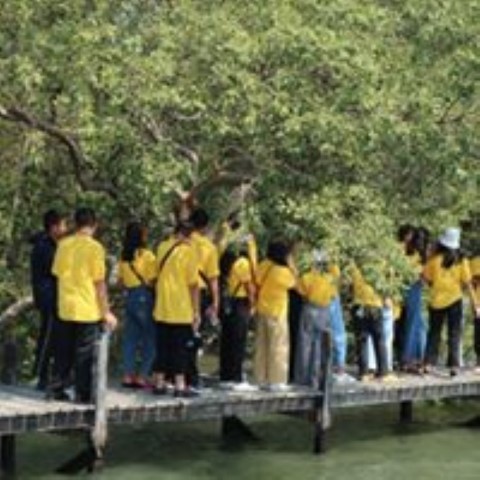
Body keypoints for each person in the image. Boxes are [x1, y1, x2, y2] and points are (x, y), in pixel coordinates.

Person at [49, 207, 117, 402]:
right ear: (94, 225)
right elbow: (99, 283)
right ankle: (82, 393)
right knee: (84, 354)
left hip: (66, 305)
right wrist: (106, 312)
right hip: (87, 308)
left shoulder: (63, 245)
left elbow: (57, 273)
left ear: (75, 224)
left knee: (63, 351)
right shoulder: (95, 248)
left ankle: (57, 388)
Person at [152, 220, 200, 398]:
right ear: (189, 235)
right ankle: (180, 385)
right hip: (181, 308)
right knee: (180, 349)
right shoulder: (189, 252)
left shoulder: (162, 247)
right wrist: (196, 311)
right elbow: (193, 285)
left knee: (162, 347)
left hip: (162, 307)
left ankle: (159, 382)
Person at [423, 228, 479, 376]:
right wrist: (475, 303)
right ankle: (454, 365)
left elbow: (426, 279)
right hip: (455, 299)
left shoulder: (434, 260)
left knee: (434, 332)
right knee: (454, 333)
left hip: (436, 300)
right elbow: (468, 283)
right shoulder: (461, 261)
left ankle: (428, 363)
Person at [30, 210, 67, 390]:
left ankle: (49, 374)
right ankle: (40, 375)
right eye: (63, 225)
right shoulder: (44, 246)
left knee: (54, 336)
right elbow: (56, 270)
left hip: (53, 295)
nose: (65, 229)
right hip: (48, 296)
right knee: (47, 336)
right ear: (54, 227)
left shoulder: (51, 244)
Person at [118, 221, 156, 389]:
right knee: (150, 337)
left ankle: (128, 375)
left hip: (130, 296)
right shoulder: (147, 255)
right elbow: (153, 280)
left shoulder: (124, 257)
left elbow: (121, 281)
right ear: (141, 236)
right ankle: (142, 376)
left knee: (130, 338)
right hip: (144, 296)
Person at [254, 240, 297, 391]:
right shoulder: (283, 272)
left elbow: (257, 281)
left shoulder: (263, 265)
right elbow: (295, 284)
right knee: (278, 346)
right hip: (277, 312)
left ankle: (261, 379)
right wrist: (292, 265)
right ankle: (277, 380)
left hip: (262, 309)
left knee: (262, 345)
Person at [187, 208, 220, 389]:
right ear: (205, 227)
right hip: (198, 293)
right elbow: (213, 278)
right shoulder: (208, 247)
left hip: (177, 292)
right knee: (194, 333)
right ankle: (190, 376)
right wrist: (215, 302)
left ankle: (172, 375)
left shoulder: (179, 242)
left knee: (175, 333)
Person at [294, 250, 336, 388]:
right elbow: (333, 296)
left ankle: (302, 379)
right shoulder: (331, 278)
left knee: (305, 344)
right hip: (325, 311)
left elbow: (301, 292)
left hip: (310, 309)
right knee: (321, 345)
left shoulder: (307, 277)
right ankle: (318, 378)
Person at [219, 238, 256, 390]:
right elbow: (248, 286)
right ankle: (236, 377)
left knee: (227, 339)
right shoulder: (243, 263)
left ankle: (225, 375)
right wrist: (253, 304)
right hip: (240, 303)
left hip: (227, 302)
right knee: (238, 341)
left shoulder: (224, 260)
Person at [350, 264, 393, 381]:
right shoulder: (380, 264)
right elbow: (387, 283)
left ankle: (363, 373)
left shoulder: (355, 266)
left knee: (362, 340)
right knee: (379, 339)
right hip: (374, 305)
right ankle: (383, 373)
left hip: (359, 305)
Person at [401, 227, 430, 372]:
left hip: (416, 289)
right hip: (412, 288)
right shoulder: (414, 254)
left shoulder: (418, 253)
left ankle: (419, 358)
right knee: (413, 324)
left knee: (420, 325)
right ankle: (409, 359)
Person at [471, 255, 480, 371]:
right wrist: (474, 303)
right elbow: (471, 284)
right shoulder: (475, 261)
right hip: (479, 302)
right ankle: (478, 363)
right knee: (478, 334)